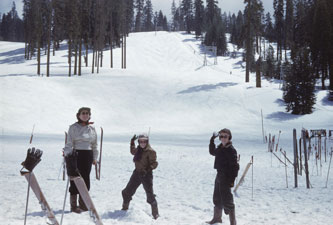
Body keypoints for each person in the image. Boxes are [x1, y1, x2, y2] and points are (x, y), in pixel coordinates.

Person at [63, 107, 98, 213]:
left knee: (86, 179)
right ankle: (73, 206)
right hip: (76, 155)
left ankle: (83, 205)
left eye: (87, 113)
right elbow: (69, 143)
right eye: (83, 113)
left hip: (88, 155)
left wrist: (95, 158)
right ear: (78, 115)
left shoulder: (92, 129)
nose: (85, 115)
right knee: (75, 179)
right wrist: (68, 156)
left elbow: (94, 145)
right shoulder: (73, 127)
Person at [121, 134, 159, 219]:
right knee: (127, 192)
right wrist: (132, 143)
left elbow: (155, 163)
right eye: (140, 141)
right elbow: (132, 152)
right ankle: (124, 209)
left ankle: (155, 215)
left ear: (147, 141)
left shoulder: (151, 151)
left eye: (144, 141)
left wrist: (148, 169)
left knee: (150, 195)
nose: (142, 143)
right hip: (137, 173)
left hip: (146, 175)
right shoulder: (138, 149)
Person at [207, 128, 239, 225]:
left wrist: (231, 180)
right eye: (221, 136)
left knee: (227, 200)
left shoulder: (231, 150)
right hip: (219, 175)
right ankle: (217, 218)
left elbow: (235, 167)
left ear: (229, 137)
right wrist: (212, 140)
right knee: (217, 197)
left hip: (226, 177)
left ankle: (233, 222)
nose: (223, 138)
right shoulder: (220, 148)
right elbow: (212, 152)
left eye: (225, 136)